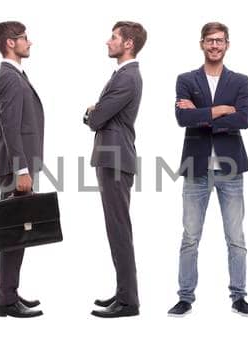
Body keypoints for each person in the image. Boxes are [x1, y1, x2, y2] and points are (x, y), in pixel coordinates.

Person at [169, 21, 248, 318]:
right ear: (202, 44)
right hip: (196, 168)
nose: (215, 45)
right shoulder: (186, 79)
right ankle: (185, 297)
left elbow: (244, 119)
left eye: (220, 41)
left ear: (227, 44)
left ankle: (239, 296)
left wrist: (201, 114)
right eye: (210, 40)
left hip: (230, 169)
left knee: (236, 238)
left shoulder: (240, 80)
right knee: (190, 237)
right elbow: (183, 119)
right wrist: (221, 110)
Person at [84, 21, 146, 319]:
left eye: (114, 37)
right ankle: (124, 294)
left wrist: (90, 112)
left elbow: (97, 120)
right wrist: (96, 112)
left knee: (119, 230)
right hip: (112, 157)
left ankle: (129, 302)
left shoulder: (127, 77)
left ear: (128, 43)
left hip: (115, 158)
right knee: (116, 229)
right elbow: (100, 115)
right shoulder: (122, 75)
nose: (108, 42)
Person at [0, 20, 46, 318]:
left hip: (19, 166)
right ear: (10, 42)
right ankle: (6, 301)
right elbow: (10, 128)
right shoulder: (9, 77)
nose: (29, 42)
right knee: (13, 232)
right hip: (15, 168)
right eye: (24, 38)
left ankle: (8, 295)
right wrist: (21, 169)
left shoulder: (15, 75)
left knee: (18, 231)